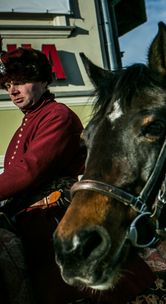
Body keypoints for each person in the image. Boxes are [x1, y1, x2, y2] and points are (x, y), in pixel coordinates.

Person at [0, 47, 87, 303]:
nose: (13, 91)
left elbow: (29, 170)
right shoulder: (29, 121)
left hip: (51, 215)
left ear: (42, 81)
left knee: (51, 286)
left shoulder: (57, 115)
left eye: (21, 82)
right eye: (8, 85)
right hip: (24, 211)